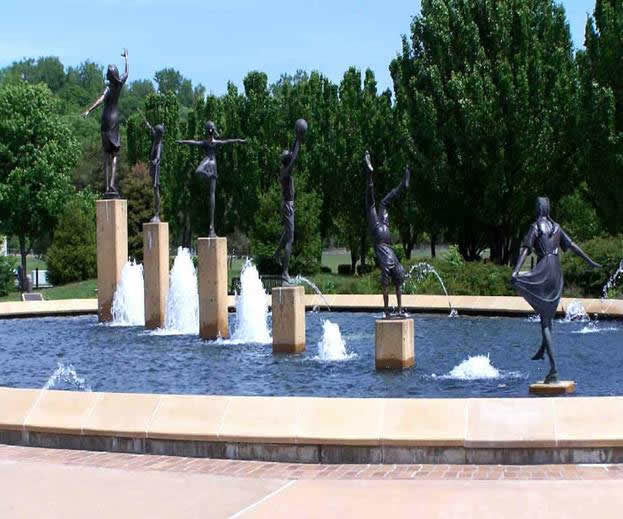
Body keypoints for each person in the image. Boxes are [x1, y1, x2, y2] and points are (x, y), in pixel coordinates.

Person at [512, 196, 601, 383]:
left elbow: (525, 250)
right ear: (548, 209)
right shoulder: (557, 227)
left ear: (538, 210)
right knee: (547, 314)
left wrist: (516, 271)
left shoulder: (535, 227)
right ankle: (542, 349)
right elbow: (573, 246)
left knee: (544, 321)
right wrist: (589, 261)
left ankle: (553, 370)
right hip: (556, 272)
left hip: (544, 269)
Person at [176, 122, 246, 237]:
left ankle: (211, 227)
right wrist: (183, 142)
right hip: (209, 164)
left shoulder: (212, 142)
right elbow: (194, 143)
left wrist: (238, 140)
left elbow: (228, 141)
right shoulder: (208, 142)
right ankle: (211, 227)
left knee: (210, 191)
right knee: (200, 173)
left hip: (211, 164)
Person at [364, 151, 411, 318]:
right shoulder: (390, 258)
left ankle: (388, 311)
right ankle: (396, 310)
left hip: (381, 235)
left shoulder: (386, 257)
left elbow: (385, 281)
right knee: (382, 203)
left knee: (372, 205)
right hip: (385, 238)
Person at [82, 49, 129, 197]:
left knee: (106, 155)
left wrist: (89, 110)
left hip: (106, 121)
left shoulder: (108, 89)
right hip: (114, 121)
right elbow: (127, 72)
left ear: (110, 75)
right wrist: (127, 59)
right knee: (114, 155)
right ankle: (112, 185)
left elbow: (100, 100)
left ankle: (108, 186)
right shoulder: (119, 84)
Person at [273, 119, 306, 282]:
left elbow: (292, 154)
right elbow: (295, 157)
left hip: (287, 205)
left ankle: (276, 252)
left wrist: (296, 139)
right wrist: (298, 140)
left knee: (287, 233)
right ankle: (285, 272)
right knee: (290, 239)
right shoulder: (286, 171)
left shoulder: (285, 169)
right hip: (288, 206)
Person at [139, 111, 165, 222]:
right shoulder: (156, 138)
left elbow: (157, 158)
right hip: (153, 167)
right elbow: (151, 129)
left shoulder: (159, 144)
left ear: (159, 134)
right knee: (154, 190)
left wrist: (153, 162)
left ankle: (157, 213)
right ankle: (156, 213)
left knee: (156, 189)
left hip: (156, 168)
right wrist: (146, 124)